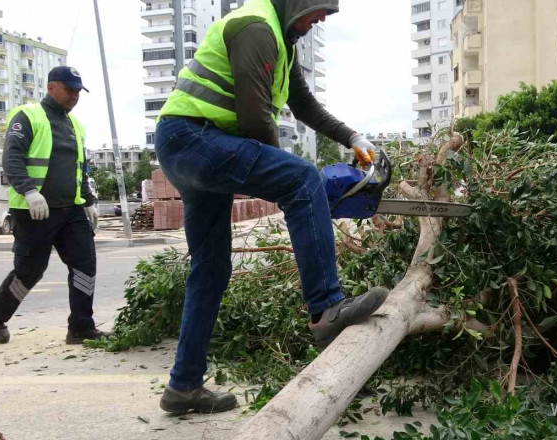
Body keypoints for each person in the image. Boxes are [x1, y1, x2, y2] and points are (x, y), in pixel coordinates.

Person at [154, 0, 388, 414]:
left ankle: (183, 387)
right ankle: (326, 309)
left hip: (189, 144)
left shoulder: (281, 40)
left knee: (211, 268)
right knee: (301, 177)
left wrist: (353, 136)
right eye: (318, 11)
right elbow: (254, 115)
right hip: (193, 138)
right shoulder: (256, 28)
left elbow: (303, 104)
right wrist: (289, 179)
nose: (319, 21)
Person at [0, 66, 109, 346]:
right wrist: (28, 192)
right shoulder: (28, 116)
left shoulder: (76, 126)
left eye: (78, 91)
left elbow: (79, 169)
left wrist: (88, 201)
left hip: (70, 211)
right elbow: (12, 158)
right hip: (34, 210)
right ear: (51, 87)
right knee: (30, 271)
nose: (75, 95)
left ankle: (81, 327)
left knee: (85, 266)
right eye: (70, 89)